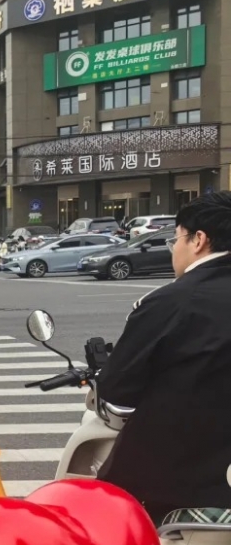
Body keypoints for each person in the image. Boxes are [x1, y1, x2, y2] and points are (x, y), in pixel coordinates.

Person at [96, 192, 231, 523]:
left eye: (176, 239)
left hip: (177, 485)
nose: (175, 249)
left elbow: (117, 389)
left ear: (198, 240)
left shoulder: (171, 301)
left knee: (106, 521)